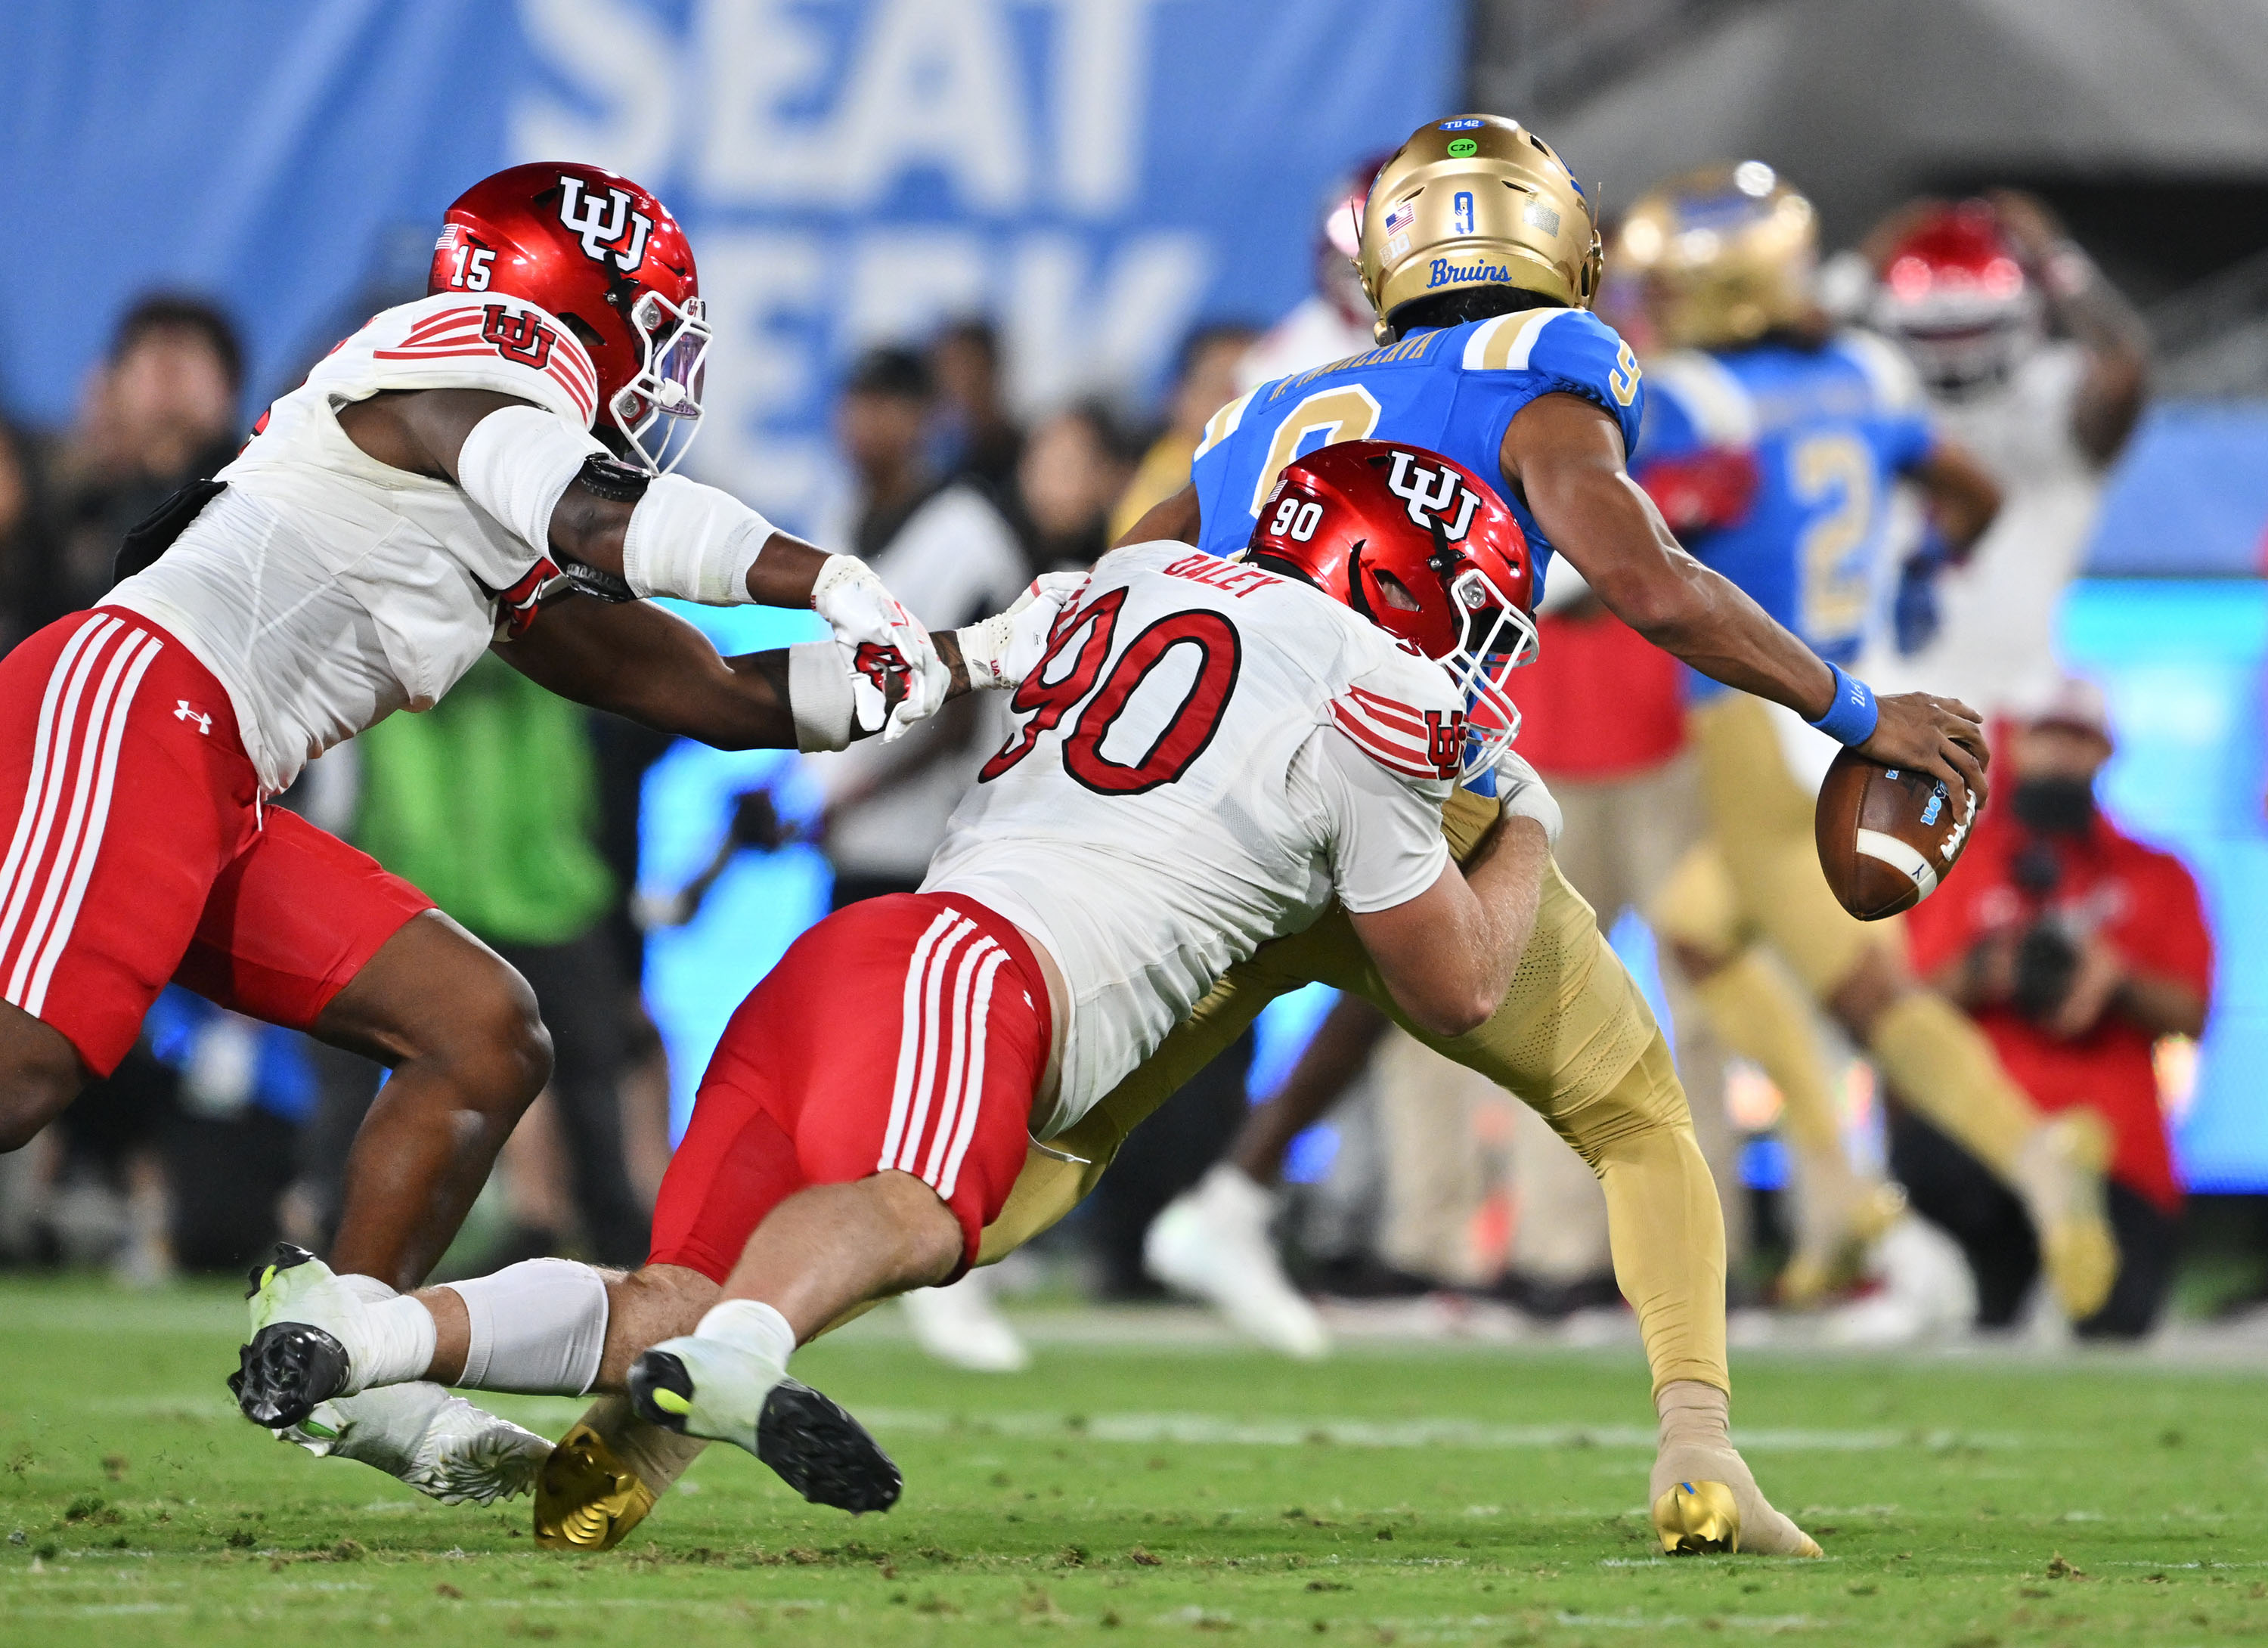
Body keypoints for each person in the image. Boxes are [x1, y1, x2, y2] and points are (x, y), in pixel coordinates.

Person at [533, 110, 1999, 1562]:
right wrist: (1859, 709)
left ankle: (673, 1402)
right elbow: (1647, 578)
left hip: (1209, 812)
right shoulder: (1544, 367)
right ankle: (1700, 1447)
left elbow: (1126, 569)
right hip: (1408, 778)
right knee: (1636, 1117)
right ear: (1557, 246)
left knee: (1010, 1167)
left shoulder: (1263, 408)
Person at [223, 440, 1746, 1554]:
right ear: (1402, 594)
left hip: (846, 958)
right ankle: (744, 1358)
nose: (1473, 662)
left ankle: (362, 1344)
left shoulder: (1142, 572)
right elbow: (1464, 984)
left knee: (659, 1296)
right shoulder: (1378, 704)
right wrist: (1525, 812)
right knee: (915, 1218)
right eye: (1466, 620)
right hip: (977, 974)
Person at [0, 159, 1041, 1505]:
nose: (660, 374)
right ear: (568, 299)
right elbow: (601, 513)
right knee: (24, 1077)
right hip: (137, 701)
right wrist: (828, 575)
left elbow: (706, 690)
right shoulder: (454, 362)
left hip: (216, 773)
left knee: (483, 1032)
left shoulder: (488, 507)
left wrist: (979, 653)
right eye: (652, 328)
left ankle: (356, 1358)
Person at [1615, 162, 2121, 1321]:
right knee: (1697, 931)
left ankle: (2039, 1158)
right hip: (1866, 688)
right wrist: (1920, 574)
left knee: (1867, 1000)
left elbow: (1597, 508)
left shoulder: (1699, 395)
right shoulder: (1864, 368)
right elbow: (1972, 493)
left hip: (1760, 711)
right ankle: (1838, 1189)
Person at [807, 345, 1032, 1371]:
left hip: (947, 838)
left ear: (922, 418)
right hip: (855, 836)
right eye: (855, 402)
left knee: (942, 1056)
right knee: (861, 1050)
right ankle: (869, 1240)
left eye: (885, 406)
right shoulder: (836, 524)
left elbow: (963, 705)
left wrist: (850, 793)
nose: (865, 426)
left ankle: (954, 1246)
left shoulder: (967, 531)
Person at [1897, 679, 2207, 1339]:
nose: (2062, 757)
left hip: (2114, 1148)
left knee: (2114, 1323)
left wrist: (2117, 980)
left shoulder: (2156, 873)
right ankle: (1972, 1276)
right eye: (2047, 737)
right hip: (1992, 1137)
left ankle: (2032, 1277)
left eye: (2079, 740)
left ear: (2106, 753)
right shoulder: (1960, 860)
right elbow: (1904, 1006)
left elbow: (2194, 1012)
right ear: (2015, 744)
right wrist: (1988, 967)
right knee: (1923, 1148)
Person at [1860, 193, 2150, 716]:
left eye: (1970, 331)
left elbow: (2124, 367)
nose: (1954, 356)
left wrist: (2055, 256)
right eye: (1935, 333)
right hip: (1877, 697)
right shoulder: (1872, 387)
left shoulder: (2054, 398)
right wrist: (1862, 267)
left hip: (2018, 701)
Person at [29, 296, 246, 632]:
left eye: (189, 352)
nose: (167, 368)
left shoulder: (262, 481)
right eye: (148, 353)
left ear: (229, 386)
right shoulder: (82, 525)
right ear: (116, 388)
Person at [1109, 324, 1260, 544]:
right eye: (1218, 387)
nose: (1233, 403)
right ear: (1179, 396)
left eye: (1252, 389)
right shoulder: (1147, 477)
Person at [929, 318, 1024, 503]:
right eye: (949, 371)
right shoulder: (937, 464)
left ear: (992, 369)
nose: (959, 382)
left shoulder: (1026, 457)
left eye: (969, 367)